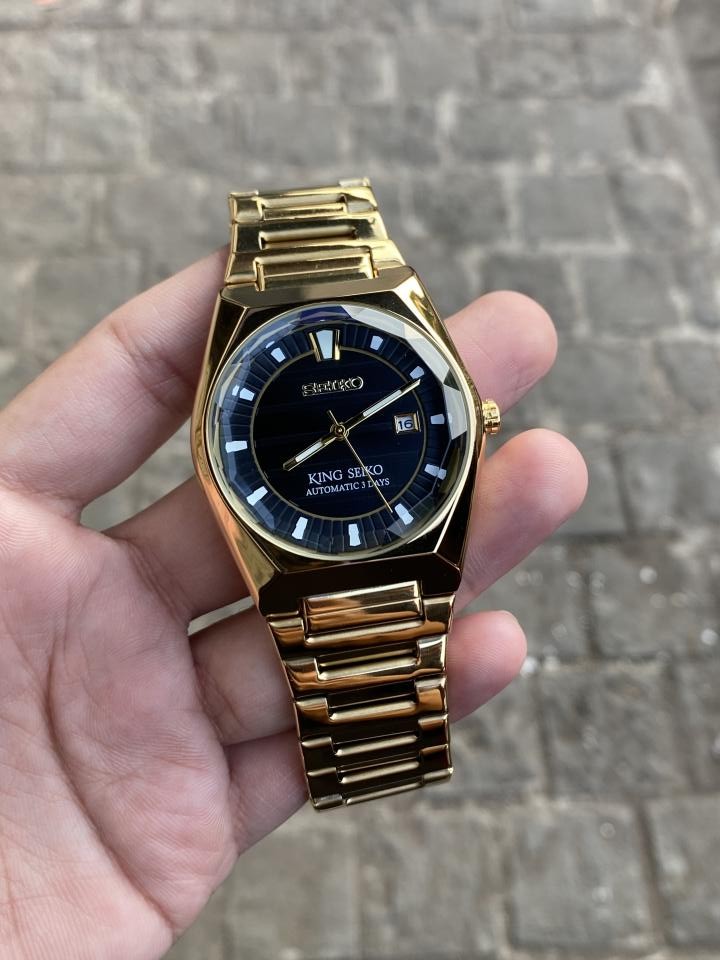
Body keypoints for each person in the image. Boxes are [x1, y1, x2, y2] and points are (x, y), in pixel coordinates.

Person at [0, 248, 587, 958]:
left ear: (477, 418)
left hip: (408, 548)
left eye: (347, 429)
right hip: (306, 561)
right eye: (331, 432)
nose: (340, 436)